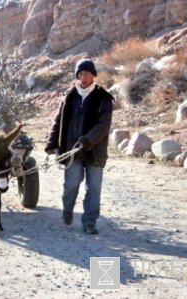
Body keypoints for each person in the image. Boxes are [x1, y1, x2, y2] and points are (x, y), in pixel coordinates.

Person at [45, 58, 114, 234]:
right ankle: (67, 210)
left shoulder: (103, 98)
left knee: (94, 189)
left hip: (94, 152)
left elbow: (103, 126)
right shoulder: (69, 95)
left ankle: (89, 222)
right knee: (71, 184)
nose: (84, 77)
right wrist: (51, 143)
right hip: (72, 150)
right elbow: (58, 121)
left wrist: (87, 140)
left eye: (88, 73)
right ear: (77, 75)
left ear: (94, 75)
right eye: (81, 73)